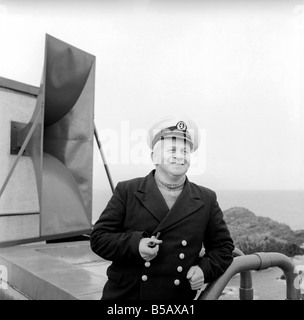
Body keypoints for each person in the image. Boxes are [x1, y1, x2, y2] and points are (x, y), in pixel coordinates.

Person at [90, 116, 234, 300]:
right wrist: (136, 245)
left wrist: (204, 270)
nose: (179, 155)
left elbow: (223, 248)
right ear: (154, 157)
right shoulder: (127, 190)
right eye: (172, 149)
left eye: (185, 151)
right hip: (127, 298)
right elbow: (99, 238)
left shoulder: (206, 198)